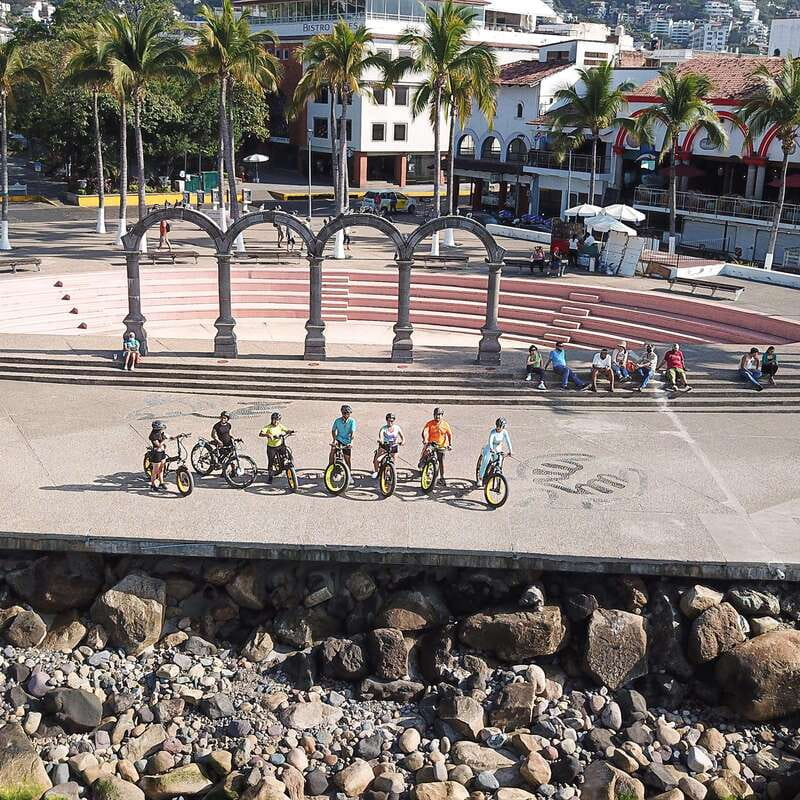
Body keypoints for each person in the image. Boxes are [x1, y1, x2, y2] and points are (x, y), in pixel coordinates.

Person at [419, 407, 452, 486]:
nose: (438, 416)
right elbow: (425, 431)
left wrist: (450, 444)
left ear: (442, 415)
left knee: (441, 461)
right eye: (436, 415)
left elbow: (449, 434)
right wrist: (425, 439)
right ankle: (423, 461)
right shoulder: (430, 423)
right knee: (427, 450)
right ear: (434, 415)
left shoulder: (445, 424)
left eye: (439, 415)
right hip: (431, 443)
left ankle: (442, 477)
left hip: (441, 445)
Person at [259, 412, 293, 484]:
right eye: (274, 420)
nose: (276, 422)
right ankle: (270, 476)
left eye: (278, 420)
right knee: (270, 462)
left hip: (280, 445)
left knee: (285, 456)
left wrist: (289, 431)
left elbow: (286, 430)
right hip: (271, 447)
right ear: (271, 420)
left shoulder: (280, 426)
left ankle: (284, 466)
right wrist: (267, 435)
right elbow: (261, 434)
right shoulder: (268, 427)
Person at [478, 417, 513, 482]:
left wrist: (511, 451)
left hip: (498, 448)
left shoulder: (504, 432)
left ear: (503, 427)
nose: (498, 428)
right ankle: (480, 478)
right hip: (490, 448)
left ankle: (497, 479)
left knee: (499, 463)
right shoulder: (493, 432)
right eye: (497, 426)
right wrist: (491, 449)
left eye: (500, 427)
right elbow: (490, 441)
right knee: (485, 461)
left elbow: (508, 441)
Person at [372, 412, 404, 478]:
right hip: (385, 446)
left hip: (394, 446)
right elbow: (381, 436)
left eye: (392, 421)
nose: (390, 422)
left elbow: (402, 437)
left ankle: (391, 471)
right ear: (386, 420)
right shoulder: (384, 429)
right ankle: (376, 472)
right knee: (377, 460)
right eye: (389, 421)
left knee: (394, 461)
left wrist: (402, 441)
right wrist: (381, 440)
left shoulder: (397, 428)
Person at [330, 404, 356, 478]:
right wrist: (334, 440)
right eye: (345, 413)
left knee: (347, 459)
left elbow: (352, 433)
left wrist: (351, 443)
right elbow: (333, 430)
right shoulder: (337, 421)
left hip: (347, 441)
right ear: (342, 413)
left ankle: (349, 475)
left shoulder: (352, 421)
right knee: (332, 450)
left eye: (348, 413)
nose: (347, 415)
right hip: (339, 439)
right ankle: (330, 468)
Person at [148, 420, 168, 492]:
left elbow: (169, 437)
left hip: (162, 452)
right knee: (155, 470)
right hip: (156, 453)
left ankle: (161, 482)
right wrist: (164, 440)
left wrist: (178, 436)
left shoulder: (160, 433)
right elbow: (158, 445)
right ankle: (152, 484)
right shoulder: (153, 436)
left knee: (161, 468)